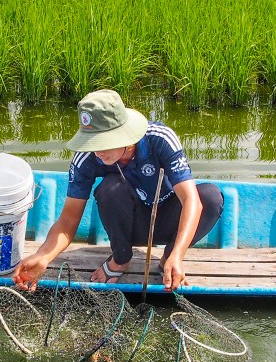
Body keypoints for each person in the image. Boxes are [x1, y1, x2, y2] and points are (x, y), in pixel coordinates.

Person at [12, 89, 223, 293]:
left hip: (169, 220)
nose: (97, 152)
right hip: (129, 227)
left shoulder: (160, 138)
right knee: (110, 187)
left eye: (104, 143)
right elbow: (68, 220)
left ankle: (169, 259)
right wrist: (44, 256)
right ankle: (121, 260)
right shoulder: (86, 158)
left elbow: (191, 201)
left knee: (211, 197)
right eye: (91, 143)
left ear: (126, 137)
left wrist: (178, 253)